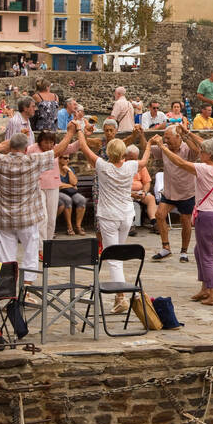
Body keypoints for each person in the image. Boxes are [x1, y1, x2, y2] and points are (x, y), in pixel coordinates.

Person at [0, 128, 79, 274]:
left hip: (3, 218)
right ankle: (28, 286)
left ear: (10, 147)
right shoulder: (33, 161)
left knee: (4, 255)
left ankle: (7, 285)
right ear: (26, 149)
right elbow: (57, 152)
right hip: (27, 217)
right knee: (31, 253)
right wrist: (69, 132)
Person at [77, 125, 156, 313]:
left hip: (109, 216)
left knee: (112, 256)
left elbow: (85, 149)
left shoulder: (103, 166)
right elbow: (145, 160)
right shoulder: (130, 166)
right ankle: (120, 297)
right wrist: (150, 144)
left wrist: (79, 132)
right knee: (117, 254)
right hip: (126, 214)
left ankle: (120, 296)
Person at [158, 129, 213, 307]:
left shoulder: (203, 168)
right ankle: (205, 288)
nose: (199, 153)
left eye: (202, 151)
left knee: (206, 255)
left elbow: (179, 162)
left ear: (209, 154)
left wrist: (163, 147)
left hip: (207, 216)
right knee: (198, 251)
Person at [152, 124, 196, 263]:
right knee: (159, 215)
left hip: (187, 192)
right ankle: (166, 247)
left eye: (168, 138)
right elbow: (151, 152)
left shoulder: (187, 148)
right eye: (165, 138)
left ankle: (184, 251)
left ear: (178, 137)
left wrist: (186, 135)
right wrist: (143, 137)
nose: (166, 141)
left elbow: (197, 151)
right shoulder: (165, 148)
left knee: (185, 221)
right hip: (169, 192)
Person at [58, 158, 88, 236]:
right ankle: (69, 227)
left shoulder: (70, 169)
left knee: (82, 200)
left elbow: (74, 182)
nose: (67, 160)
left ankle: (78, 226)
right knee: (67, 200)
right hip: (59, 192)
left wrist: (69, 171)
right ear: (58, 159)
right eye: (65, 158)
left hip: (70, 191)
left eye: (68, 158)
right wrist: (70, 185)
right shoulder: (55, 170)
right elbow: (58, 185)